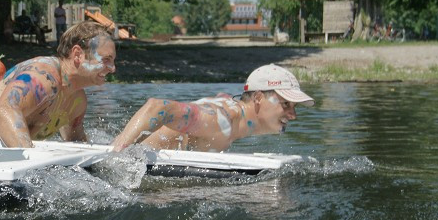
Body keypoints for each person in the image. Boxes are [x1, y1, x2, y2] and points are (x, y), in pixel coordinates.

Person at [0, 21, 115, 147]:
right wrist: (29, 164)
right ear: (78, 55)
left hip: (0, 167)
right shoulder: (43, 77)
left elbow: (77, 144)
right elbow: (4, 108)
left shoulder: (77, 101)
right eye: (106, 60)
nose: (113, 68)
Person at [111, 64, 314, 153]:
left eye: (294, 107)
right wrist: (116, 153)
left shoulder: (231, 110)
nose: (293, 116)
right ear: (259, 98)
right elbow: (158, 107)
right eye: (285, 104)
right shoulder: (221, 120)